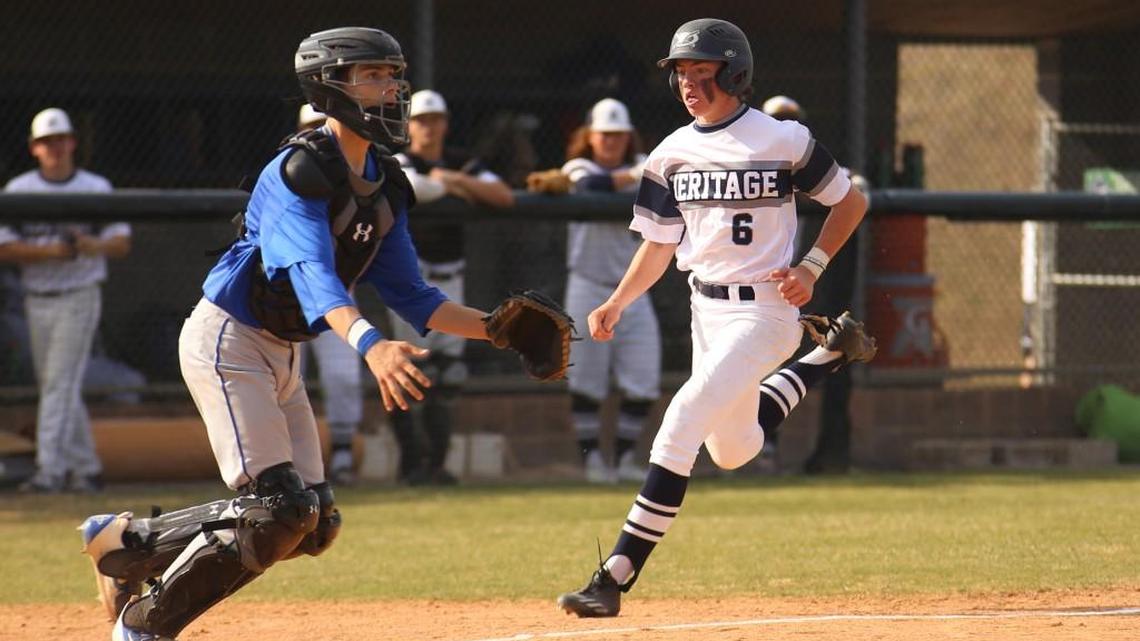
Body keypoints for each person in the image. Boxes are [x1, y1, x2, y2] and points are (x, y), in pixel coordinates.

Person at [79, 27, 505, 641]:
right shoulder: (296, 172)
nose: (392, 89)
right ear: (329, 87)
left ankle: (126, 546)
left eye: (393, 75)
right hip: (229, 342)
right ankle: (142, 627)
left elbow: (414, 297)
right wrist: (370, 344)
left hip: (281, 352)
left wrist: (498, 330)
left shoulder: (384, 184)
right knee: (280, 514)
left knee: (313, 523)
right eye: (374, 76)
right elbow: (312, 276)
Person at [556, 19, 875, 618]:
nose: (688, 85)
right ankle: (827, 357)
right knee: (731, 448)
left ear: (735, 75)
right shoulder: (671, 153)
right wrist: (618, 300)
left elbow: (850, 200)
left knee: (680, 419)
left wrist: (810, 266)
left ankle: (613, 577)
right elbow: (657, 245)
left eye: (702, 74)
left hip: (769, 311)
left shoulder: (783, 139)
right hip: (706, 309)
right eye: (681, 73)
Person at [529, 98, 661, 484]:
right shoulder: (578, 167)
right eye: (604, 135)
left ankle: (621, 459)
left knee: (643, 378)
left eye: (618, 136)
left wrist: (640, 173)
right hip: (587, 284)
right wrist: (635, 176)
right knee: (587, 379)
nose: (611, 142)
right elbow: (590, 185)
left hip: (633, 287)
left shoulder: (646, 165)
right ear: (590, 136)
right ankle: (591, 463)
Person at [0, 107, 131, 494]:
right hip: (37, 296)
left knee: (58, 383)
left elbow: (121, 242)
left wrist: (90, 245)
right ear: (34, 148)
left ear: (72, 142)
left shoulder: (95, 187)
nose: (54, 147)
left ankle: (49, 471)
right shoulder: (19, 190)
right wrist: (52, 252)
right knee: (60, 384)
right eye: (46, 142)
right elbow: (4, 247)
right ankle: (87, 468)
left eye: (60, 140)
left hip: (78, 294)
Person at [389, 89, 513, 485]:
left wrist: (453, 179)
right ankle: (411, 466)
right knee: (409, 371)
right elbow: (415, 188)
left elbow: (502, 196)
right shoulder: (398, 158)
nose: (428, 127)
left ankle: (437, 466)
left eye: (435, 119)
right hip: (411, 280)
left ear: (444, 122)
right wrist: (451, 188)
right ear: (409, 125)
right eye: (421, 120)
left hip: (451, 276)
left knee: (450, 374)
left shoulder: (459, 161)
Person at [762, 94, 868, 475]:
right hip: (763, 283)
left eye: (789, 120)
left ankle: (773, 449)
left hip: (804, 279)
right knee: (759, 368)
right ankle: (765, 449)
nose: (782, 125)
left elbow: (851, 191)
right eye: (775, 119)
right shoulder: (753, 162)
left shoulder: (807, 160)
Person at [296, 103, 365, 485]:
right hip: (289, 301)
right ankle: (289, 465)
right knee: (288, 384)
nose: (316, 138)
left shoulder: (357, 180)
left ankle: (341, 453)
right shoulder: (286, 176)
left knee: (343, 378)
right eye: (309, 129)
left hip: (340, 295)